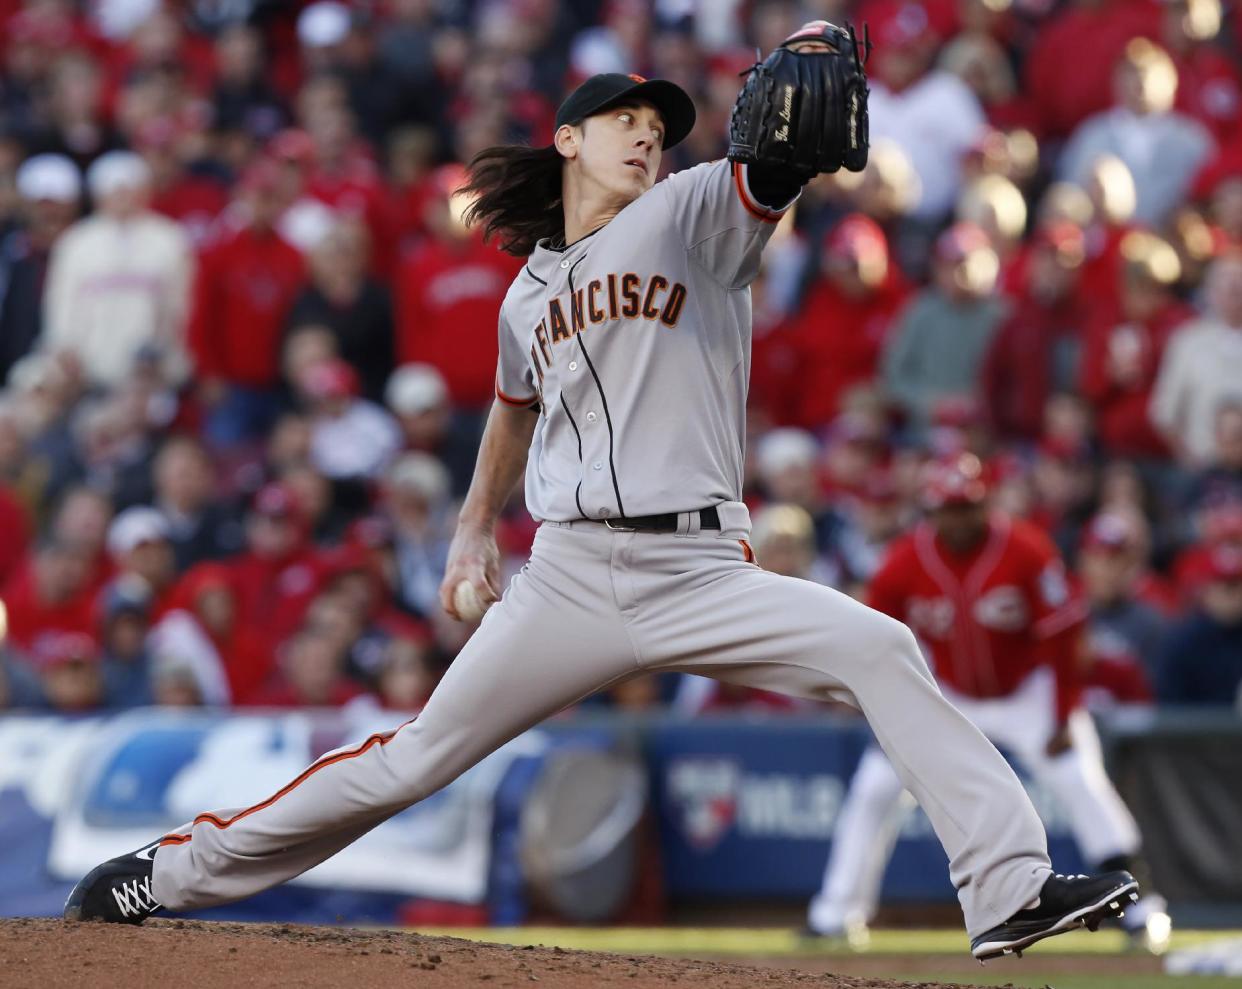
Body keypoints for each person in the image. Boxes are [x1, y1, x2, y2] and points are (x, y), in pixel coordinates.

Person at [65, 52, 1137, 960]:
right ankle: (167, 874)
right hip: (569, 574)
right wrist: (474, 524)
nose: (645, 138)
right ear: (569, 141)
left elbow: (768, 164)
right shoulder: (525, 292)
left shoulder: (692, 214)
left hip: (701, 569)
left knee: (882, 648)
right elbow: (509, 406)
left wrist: (803, 81)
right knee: (412, 755)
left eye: (657, 127)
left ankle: (1004, 889)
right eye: (622, 120)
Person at [805, 455, 1168, 952]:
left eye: (966, 507)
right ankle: (834, 913)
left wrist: (1062, 714)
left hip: (1027, 691)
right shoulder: (907, 558)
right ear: (930, 510)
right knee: (873, 789)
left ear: (984, 504)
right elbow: (872, 636)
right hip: (949, 693)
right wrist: (884, 713)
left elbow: (1063, 638)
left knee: (1081, 781)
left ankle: (1143, 908)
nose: (957, 519)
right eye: (947, 509)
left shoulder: (1024, 548)